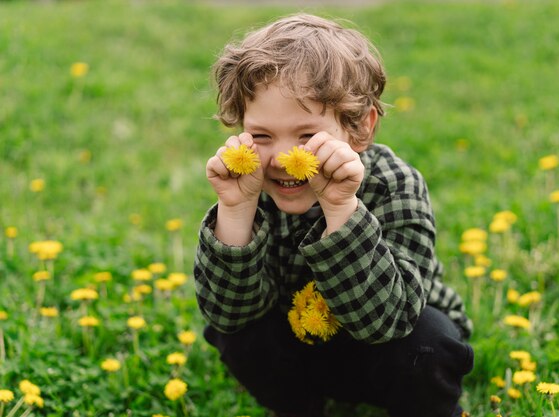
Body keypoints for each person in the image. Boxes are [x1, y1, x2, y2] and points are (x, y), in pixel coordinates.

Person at [194, 13, 473, 417]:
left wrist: (341, 207)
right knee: (237, 334)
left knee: (429, 341)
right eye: (261, 136)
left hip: (386, 349)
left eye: (307, 136)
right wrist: (236, 211)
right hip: (298, 354)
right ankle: (300, 407)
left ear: (360, 128)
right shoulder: (248, 190)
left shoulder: (395, 186)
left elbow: (388, 322)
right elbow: (226, 313)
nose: (286, 160)